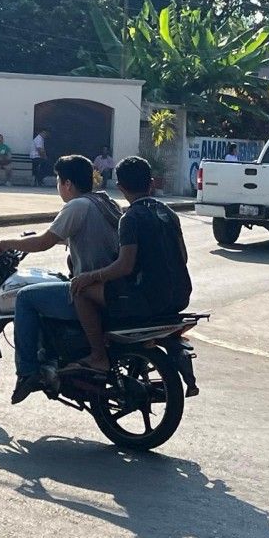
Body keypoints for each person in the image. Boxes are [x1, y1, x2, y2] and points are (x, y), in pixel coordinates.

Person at [0, 155, 122, 404]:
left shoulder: (77, 206)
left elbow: (44, 242)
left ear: (67, 184)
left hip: (90, 289)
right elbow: (65, 235)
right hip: (112, 287)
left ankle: (27, 372)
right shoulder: (104, 201)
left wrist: (6, 244)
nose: (58, 186)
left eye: (59, 181)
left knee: (26, 298)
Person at [70, 156, 193, 378]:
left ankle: (98, 356)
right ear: (152, 182)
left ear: (120, 187)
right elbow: (182, 256)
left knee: (81, 291)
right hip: (180, 297)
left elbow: (124, 266)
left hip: (147, 300)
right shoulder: (169, 214)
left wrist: (89, 276)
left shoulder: (130, 218)